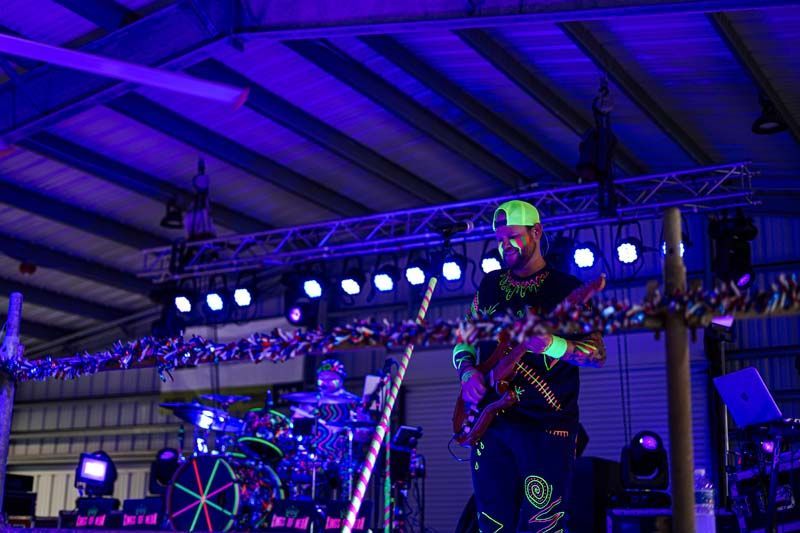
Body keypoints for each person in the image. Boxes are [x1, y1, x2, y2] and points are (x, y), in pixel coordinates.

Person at [452, 200, 606, 532]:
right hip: (491, 423)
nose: (504, 245)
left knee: (543, 525)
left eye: (513, 237)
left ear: (536, 232)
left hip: (547, 426)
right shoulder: (490, 285)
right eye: (499, 238)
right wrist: (467, 372)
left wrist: (553, 344)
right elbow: (463, 335)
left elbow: (596, 353)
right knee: (491, 524)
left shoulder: (567, 289)